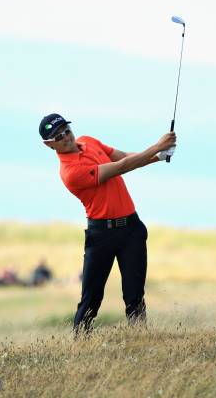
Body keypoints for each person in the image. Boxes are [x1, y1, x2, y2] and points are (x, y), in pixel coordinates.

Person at [39, 113, 177, 335]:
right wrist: (157, 146)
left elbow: (121, 156)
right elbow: (121, 167)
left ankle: (140, 339)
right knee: (91, 299)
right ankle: (80, 346)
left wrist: (159, 156)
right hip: (102, 234)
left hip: (131, 229)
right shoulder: (70, 172)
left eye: (66, 130)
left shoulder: (89, 141)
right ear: (49, 145)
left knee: (134, 295)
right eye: (58, 136)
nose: (65, 136)